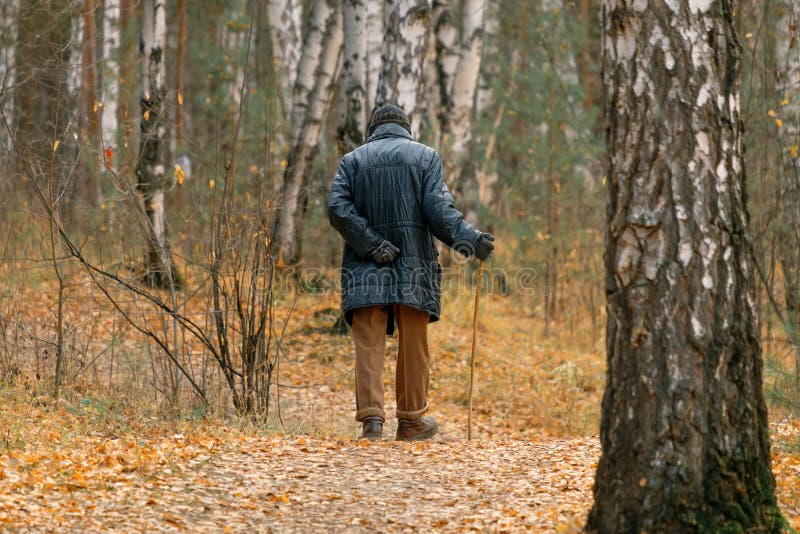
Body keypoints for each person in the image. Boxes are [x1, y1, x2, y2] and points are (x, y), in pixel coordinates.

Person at [328, 104, 495, 441]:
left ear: (373, 128)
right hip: (414, 265)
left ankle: (372, 422)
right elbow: (439, 211)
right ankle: (411, 422)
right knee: (414, 343)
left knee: (369, 341)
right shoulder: (424, 157)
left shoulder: (352, 161)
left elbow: (337, 208)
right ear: (405, 127)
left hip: (364, 265)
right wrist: (472, 241)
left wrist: (372, 244)